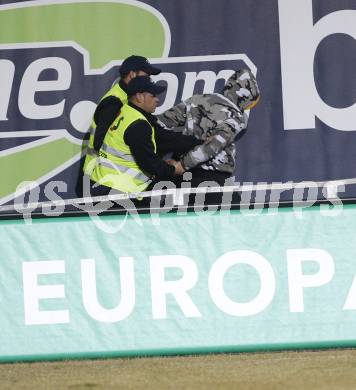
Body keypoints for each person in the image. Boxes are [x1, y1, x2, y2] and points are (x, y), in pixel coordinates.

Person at [89, 76, 201, 197]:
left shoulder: (125, 111)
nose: (157, 100)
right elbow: (149, 163)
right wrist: (175, 169)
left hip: (103, 183)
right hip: (119, 191)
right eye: (153, 95)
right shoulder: (138, 124)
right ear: (139, 97)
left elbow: (163, 139)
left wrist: (195, 142)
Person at [157, 68, 260, 190]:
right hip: (213, 180)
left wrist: (174, 164)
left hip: (181, 179)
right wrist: (182, 165)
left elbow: (161, 122)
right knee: (236, 208)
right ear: (245, 97)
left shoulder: (196, 99)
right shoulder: (235, 116)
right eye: (250, 104)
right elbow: (214, 145)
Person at [82, 55, 162, 175]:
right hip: (100, 176)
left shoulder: (129, 97)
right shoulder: (115, 101)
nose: (149, 80)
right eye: (146, 75)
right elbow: (100, 142)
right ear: (132, 74)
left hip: (109, 178)